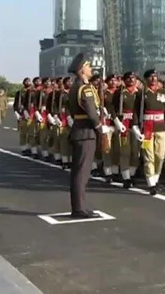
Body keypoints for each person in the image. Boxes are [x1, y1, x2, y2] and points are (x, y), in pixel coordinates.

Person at [67, 52, 110, 219]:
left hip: (80, 129)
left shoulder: (75, 87)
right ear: (81, 70)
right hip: (86, 132)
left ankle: (79, 206)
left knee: (80, 171)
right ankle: (78, 208)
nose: (91, 68)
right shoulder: (84, 88)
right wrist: (100, 128)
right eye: (88, 66)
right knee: (82, 173)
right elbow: (92, 113)